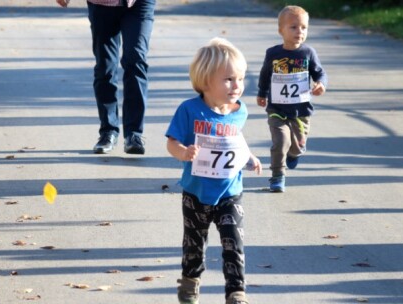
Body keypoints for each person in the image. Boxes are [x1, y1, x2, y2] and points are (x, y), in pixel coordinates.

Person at [166, 37, 262, 304]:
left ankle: (236, 292)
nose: (237, 86)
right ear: (206, 82)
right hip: (195, 192)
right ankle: (189, 282)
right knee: (194, 245)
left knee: (234, 243)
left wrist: (248, 156)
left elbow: (234, 139)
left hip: (230, 190)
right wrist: (183, 153)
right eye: (229, 79)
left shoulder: (239, 111)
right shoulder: (189, 110)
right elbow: (171, 142)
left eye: (240, 79)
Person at [56, 0, 156, 155]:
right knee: (105, 67)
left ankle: (134, 134)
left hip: (139, 4)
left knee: (136, 60)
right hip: (102, 4)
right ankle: (108, 132)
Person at [256, 5, 328, 192]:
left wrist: (320, 84)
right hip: (277, 109)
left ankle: (294, 154)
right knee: (280, 142)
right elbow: (265, 75)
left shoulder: (308, 53)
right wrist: (262, 93)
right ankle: (277, 176)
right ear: (281, 30)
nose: (299, 32)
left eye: (304, 27)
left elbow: (320, 73)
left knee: (296, 146)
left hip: (301, 111)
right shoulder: (273, 53)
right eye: (293, 27)